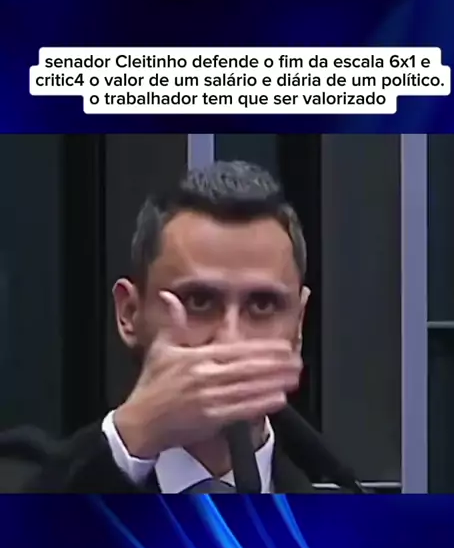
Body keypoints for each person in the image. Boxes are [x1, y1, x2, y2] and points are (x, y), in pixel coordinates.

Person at [0, 161, 362, 494]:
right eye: (199, 302)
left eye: (262, 305)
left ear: (298, 324)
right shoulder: (25, 477)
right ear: (129, 313)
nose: (230, 340)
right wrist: (136, 433)